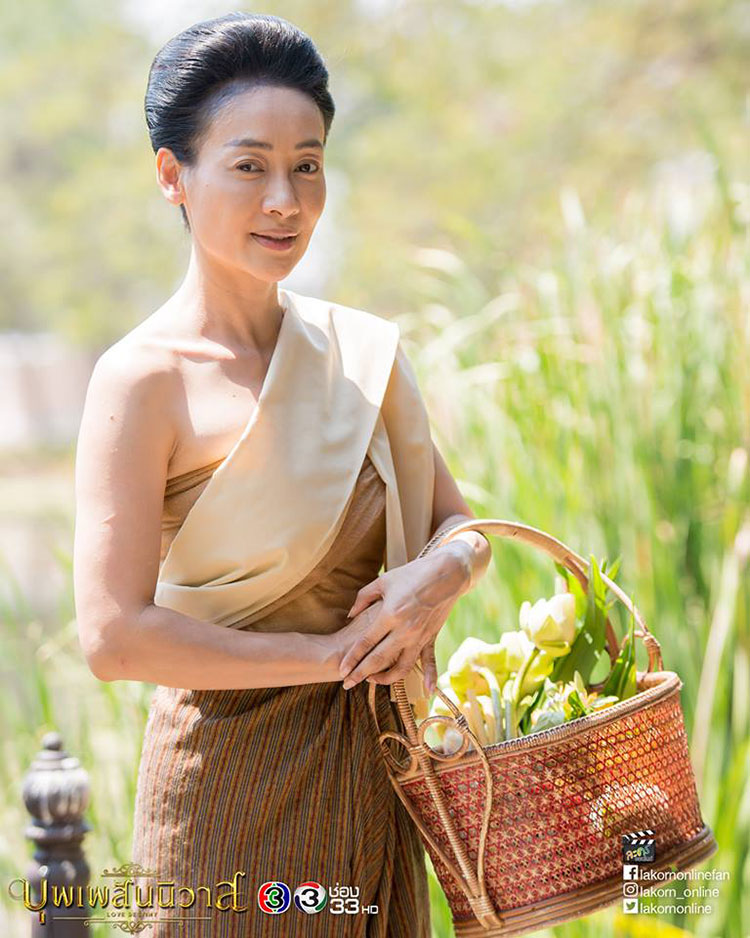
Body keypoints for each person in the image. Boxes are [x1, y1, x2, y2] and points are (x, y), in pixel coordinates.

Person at [72, 12, 491, 937]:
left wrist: (446, 574)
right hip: (231, 815)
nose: (285, 200)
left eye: (308, 165)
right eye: (250, 165)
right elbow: (114, 638)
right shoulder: (145, 379)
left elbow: (461, 527)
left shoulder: (360, 354)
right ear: (172, 175)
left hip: (378, 785)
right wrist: (334, 658)